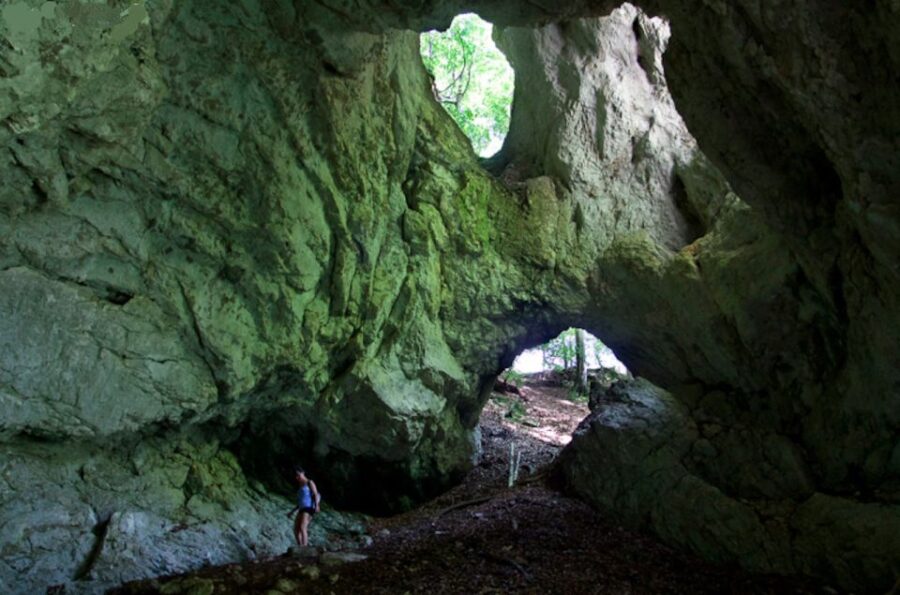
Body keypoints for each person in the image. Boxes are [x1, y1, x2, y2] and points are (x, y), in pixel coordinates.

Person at [286, 466, 320, 546]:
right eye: (296, 476)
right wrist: (292, 511)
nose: (297, 477)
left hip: (309, 508)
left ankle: (304, 548)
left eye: (298, 475)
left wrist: (317, 505)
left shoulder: (309, 482)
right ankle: (300, 547)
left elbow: (315, 494)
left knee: (302, 527)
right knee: (296, 529)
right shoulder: (300, 486)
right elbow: (300, 502)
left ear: (303, 473)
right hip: (302, 508)